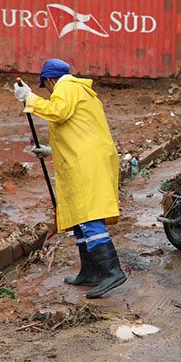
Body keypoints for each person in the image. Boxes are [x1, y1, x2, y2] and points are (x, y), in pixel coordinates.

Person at [14, 59, 126, 299]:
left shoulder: (66, 86)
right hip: (86, 159)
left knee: (88, 216)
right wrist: (49, 150)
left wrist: (29, 98)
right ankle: (90, 271)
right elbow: (76, 131)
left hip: (87, 163)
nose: (50, 92)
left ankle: (111, 271)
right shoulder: (77, 90)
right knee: (79, 217)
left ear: (50, 80)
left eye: (47, 88)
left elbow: (57, 112)